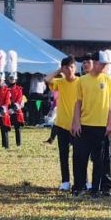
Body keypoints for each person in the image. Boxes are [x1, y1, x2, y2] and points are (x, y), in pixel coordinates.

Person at [70, 52, 111, 198]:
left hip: (101, 127)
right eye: (102, 64)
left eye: (105, 65)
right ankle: (79, 187)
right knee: (80, 158)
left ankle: (96, 189)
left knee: (99, 160)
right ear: (95, 63)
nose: (104, 67)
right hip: (84, 125)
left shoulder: (110, 81)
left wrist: (109, 124)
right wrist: (76, 122)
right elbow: (78, 102)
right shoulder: (81, 80)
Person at [45, 57, 78, 191]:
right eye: (66, 67)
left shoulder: (81, 82)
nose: (69, 70)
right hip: (61, 124)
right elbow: (47, 79)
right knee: (63, 154)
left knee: (79, 155)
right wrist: (59, 70)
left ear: (75, 67)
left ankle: (82, 180)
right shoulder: (59, 82)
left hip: (77, 124)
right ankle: (65, 181)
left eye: (71, 67)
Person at [7, 75, 25, 147]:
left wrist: (14, 109)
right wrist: (7, 108)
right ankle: (6, 145)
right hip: (7, 109)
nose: (12, 80)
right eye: (10, 79)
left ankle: (18, 144)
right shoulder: (6, 88)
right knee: (5, 128)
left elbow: (19, 99)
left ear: (15, 80)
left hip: (16, 110)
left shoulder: (19, 88)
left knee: (17, 128)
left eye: (13, 79)